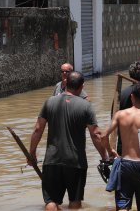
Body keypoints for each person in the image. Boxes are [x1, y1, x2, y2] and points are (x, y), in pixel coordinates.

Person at [29, 71, 108, 211]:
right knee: (75, 203)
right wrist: (104, 157)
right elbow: (96, 135)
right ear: (81, 86)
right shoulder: (86, 106)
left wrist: (32, 153)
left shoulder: (49, 102)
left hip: (52, 161)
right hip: (76, 162)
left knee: (51, 202)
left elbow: (37, 129)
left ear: (65, 83)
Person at [101, 83, 140, 211]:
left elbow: (103, 136)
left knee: (123, 205)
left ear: (132, 97)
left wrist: (110, 151)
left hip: (125, 164)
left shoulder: (120, 115)